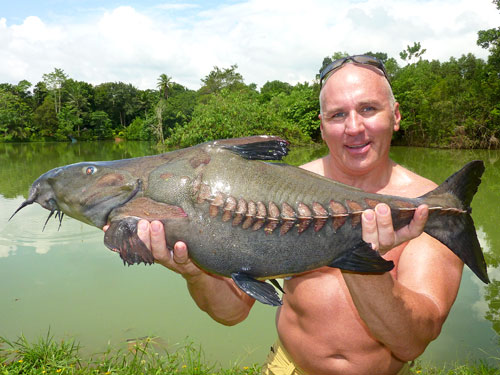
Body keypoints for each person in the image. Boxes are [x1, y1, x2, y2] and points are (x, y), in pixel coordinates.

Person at [131, 56, 464, 375]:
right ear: (321, 127)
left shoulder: (428, 209)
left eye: (368, 109)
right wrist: (194, 271)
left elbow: (411, 343)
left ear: (396, 115)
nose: (353, 127)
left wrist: (360, 257)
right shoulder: (276, 190)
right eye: (337, 115)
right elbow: (230, 313)